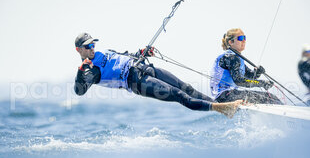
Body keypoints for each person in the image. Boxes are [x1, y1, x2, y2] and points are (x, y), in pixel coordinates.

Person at [73, 32, 243, 118]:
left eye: (92, 44)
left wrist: (141, 52)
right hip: (136, 82)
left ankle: (225, 106)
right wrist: (81, 73)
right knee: (179, 95)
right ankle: (220, 108)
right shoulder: (90, 70)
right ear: (79, 49)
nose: (92, 48)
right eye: (87, 47)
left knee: (186, 87)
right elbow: (79, 91)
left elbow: (124, 55)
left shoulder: (103, 51)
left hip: (145, 68)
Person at [210, 28, 282, 104]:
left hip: (227, 95)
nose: (244, 41)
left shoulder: (236, 57)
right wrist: (262, 83)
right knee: (271, 98)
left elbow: (250, 77)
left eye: (244, 38)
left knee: (270, 97)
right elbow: (239, 81)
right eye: (240, 38)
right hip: (225, 96)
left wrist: (257, 72)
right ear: (231, 42)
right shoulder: (231, 57)